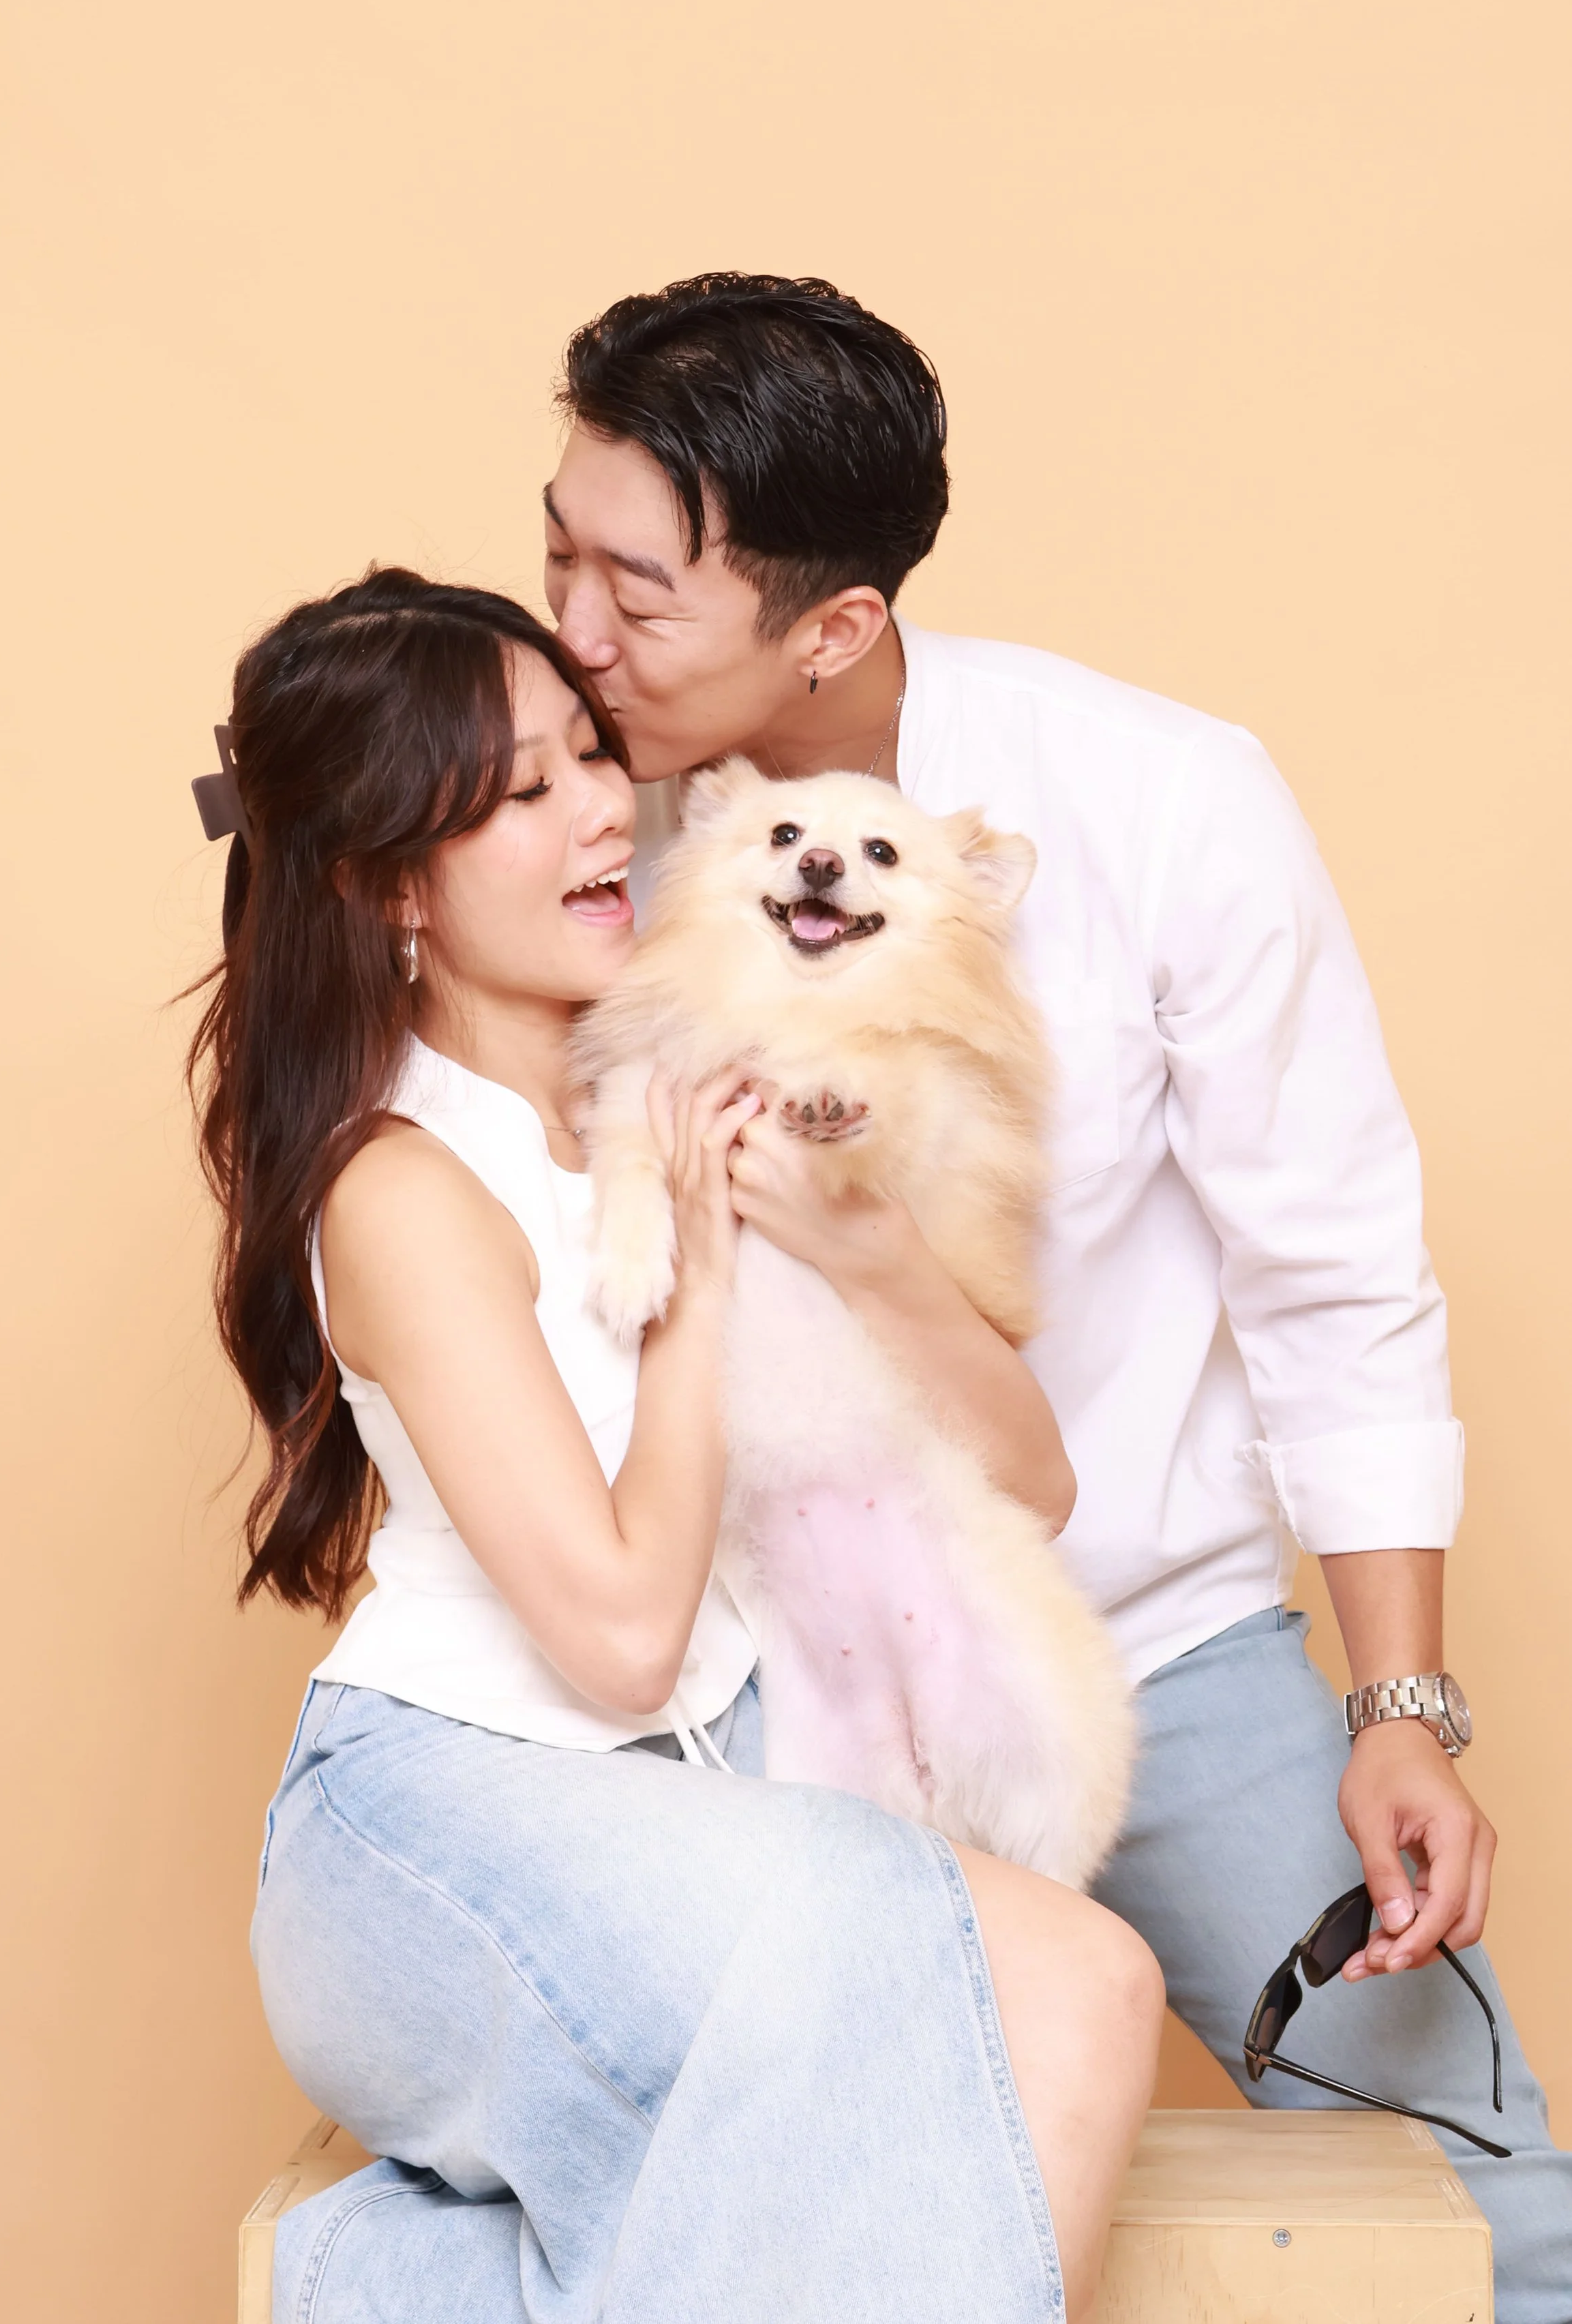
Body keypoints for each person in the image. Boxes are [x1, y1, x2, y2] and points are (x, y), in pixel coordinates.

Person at [541, 273, 1572, 2320]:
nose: (572, 632)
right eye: (553, 548)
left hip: (1144, 1641)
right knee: (736, 2223)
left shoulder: (1165, 800)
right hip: (747, 1674)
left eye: (633, 594)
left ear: (830, 624)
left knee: (1492, 2216)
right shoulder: (561, 821)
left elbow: (1333, 1266)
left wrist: (1399, 1707)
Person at [190, 569, 1163, 2324]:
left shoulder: (706, 1080)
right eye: (517, 794)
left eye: (586, 755)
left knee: (1081, 1988)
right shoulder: (403, 1186)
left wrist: (845, 1234)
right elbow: (626, 1636)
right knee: (995, 1987)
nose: (596, 815)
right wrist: (708, 1273)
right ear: (390, 885)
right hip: (441, 1821)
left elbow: (1027, 1484)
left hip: (693, 1795)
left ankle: (427, 2283)